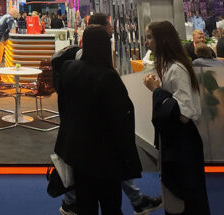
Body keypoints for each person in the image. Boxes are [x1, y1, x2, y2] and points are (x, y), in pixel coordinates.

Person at [57, 14, 161, 215]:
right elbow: (120, 118)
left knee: (85, 204)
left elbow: (64, 106)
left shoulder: (69, 68)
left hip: (77, 151)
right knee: (110, 204)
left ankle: (71, 203)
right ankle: (137, 201)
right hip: (105, 155)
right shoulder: (108, 76)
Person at [143, 21, 210, 215]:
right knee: (177, 196)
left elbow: (185, 113)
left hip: (182, 144)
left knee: (186, 197)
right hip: (176, 142)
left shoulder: (177, 69)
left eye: (150, 37)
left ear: (162, 40)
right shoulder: (170, 67)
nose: (147, 42)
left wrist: (157, 92)